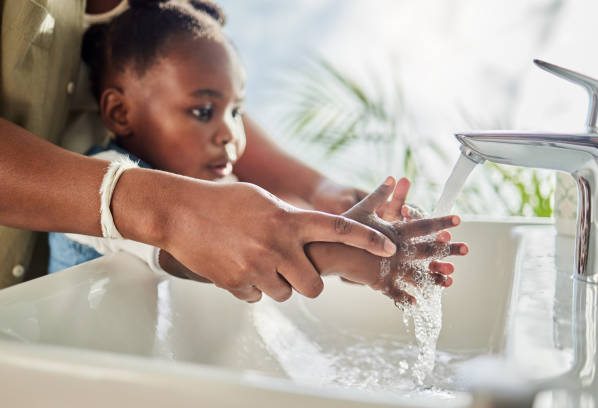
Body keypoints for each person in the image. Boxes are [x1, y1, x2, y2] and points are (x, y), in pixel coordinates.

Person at [46, 0, 467, 303]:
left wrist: (348, 226)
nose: (230, 133)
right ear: (120, 112)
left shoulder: (219, 185)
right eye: (203, 110)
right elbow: (204, 249)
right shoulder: (100, 176)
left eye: (237, 110)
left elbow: (274, 229)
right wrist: (349, 253)